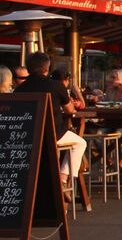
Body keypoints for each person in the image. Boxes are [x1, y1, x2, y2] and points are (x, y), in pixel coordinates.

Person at [16, 53, 87, 200]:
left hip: (26, 136)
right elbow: (70, 110)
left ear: (28, 69)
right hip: (53, 134)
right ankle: (62, 179)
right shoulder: (56, 86)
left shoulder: (20, 89)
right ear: (47, 69)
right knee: (80, 143)